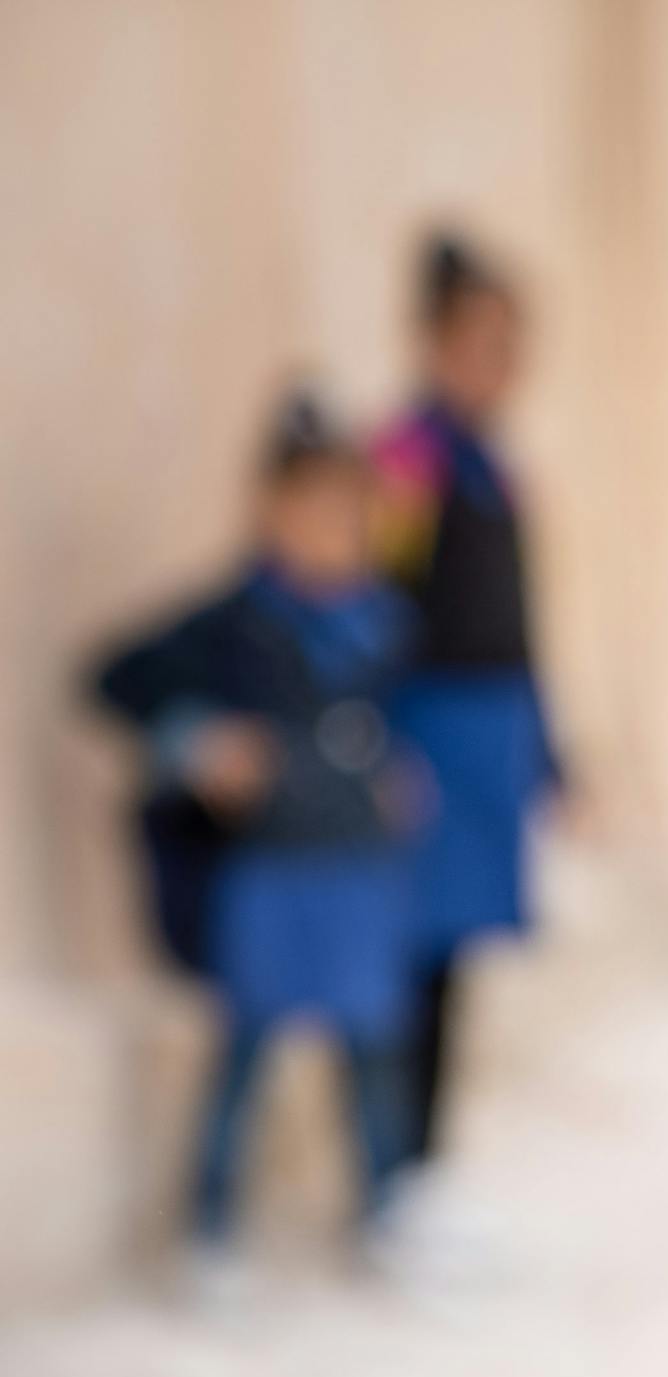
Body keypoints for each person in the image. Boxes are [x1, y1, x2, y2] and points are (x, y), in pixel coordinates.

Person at [91, 392, 423, 1279]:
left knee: (372, 1055)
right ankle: (211, 1232)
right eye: (309, 508)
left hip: (357, 872)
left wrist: (401, 772)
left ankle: (385, 1214)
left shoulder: (383, 624)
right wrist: (195, 742)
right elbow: (112, 678)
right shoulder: (233, 622)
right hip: (268, 876)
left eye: (345, 511)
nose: (328, 530)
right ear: (269, 509)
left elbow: (393, 724)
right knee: (244, 1056)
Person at [370, 230, 557, 1177]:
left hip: (491, 734)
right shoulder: (408, 460)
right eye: (483, 340)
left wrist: (552, 753)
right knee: (410, 956)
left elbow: (519, 618)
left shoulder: (494, 466)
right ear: (436, 343)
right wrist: (378, 739)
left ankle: (424, 1169)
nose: (501, 363)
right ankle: (394, 1171)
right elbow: (376, 600)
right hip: (427, 732)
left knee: (454, 959)